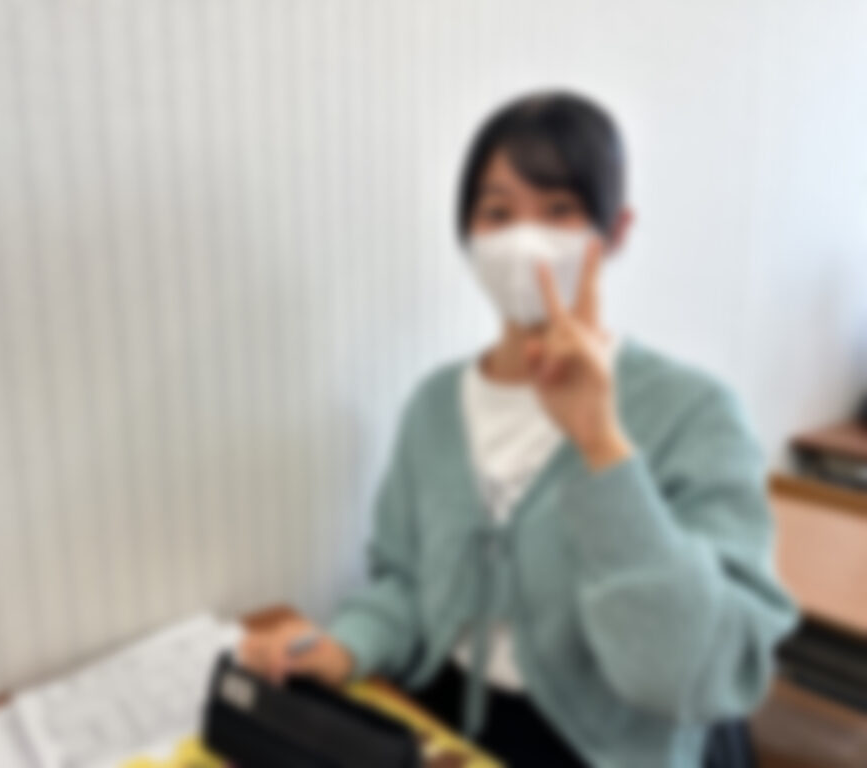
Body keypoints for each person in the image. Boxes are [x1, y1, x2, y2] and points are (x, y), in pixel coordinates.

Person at [240, 91, 797, 768]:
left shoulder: (696, 414)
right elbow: (405, 584)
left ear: (615, 231)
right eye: (498, 213)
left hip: (612, 749)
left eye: (559, 210)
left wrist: (601, 444)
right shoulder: (433, 407)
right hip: (444, 726)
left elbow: (693, 672)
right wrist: (345, 645)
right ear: (469, 235)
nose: (524, 240)